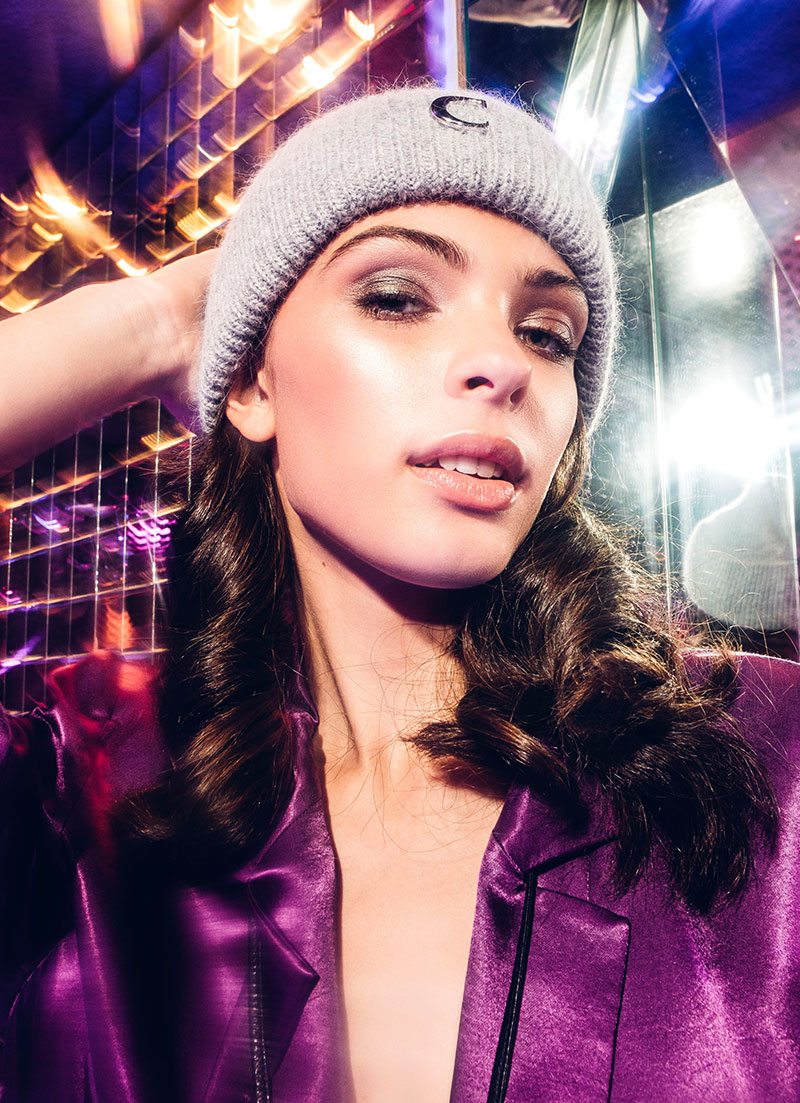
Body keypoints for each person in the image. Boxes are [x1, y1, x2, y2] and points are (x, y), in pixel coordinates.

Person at [0, 85, 798, 1103]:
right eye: (395, 297)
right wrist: (147, 323)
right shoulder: (87, 802)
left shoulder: (768, 760)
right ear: (251, 384)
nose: (501, 363)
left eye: (547, 333)